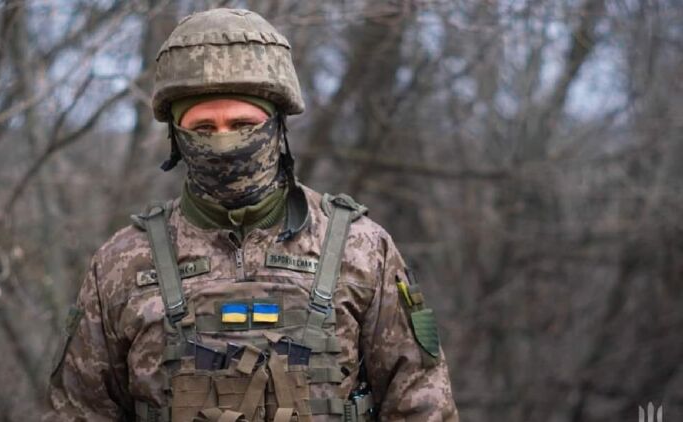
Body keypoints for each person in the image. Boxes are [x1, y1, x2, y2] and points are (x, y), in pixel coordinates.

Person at [45, 8, 458, 422]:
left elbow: (421, 405)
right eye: (203, 128)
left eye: (243, 123)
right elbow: (79, 411)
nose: (225, 142)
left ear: (277, 126)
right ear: (176, 136)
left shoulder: (360, 248)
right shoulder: (122, 263)